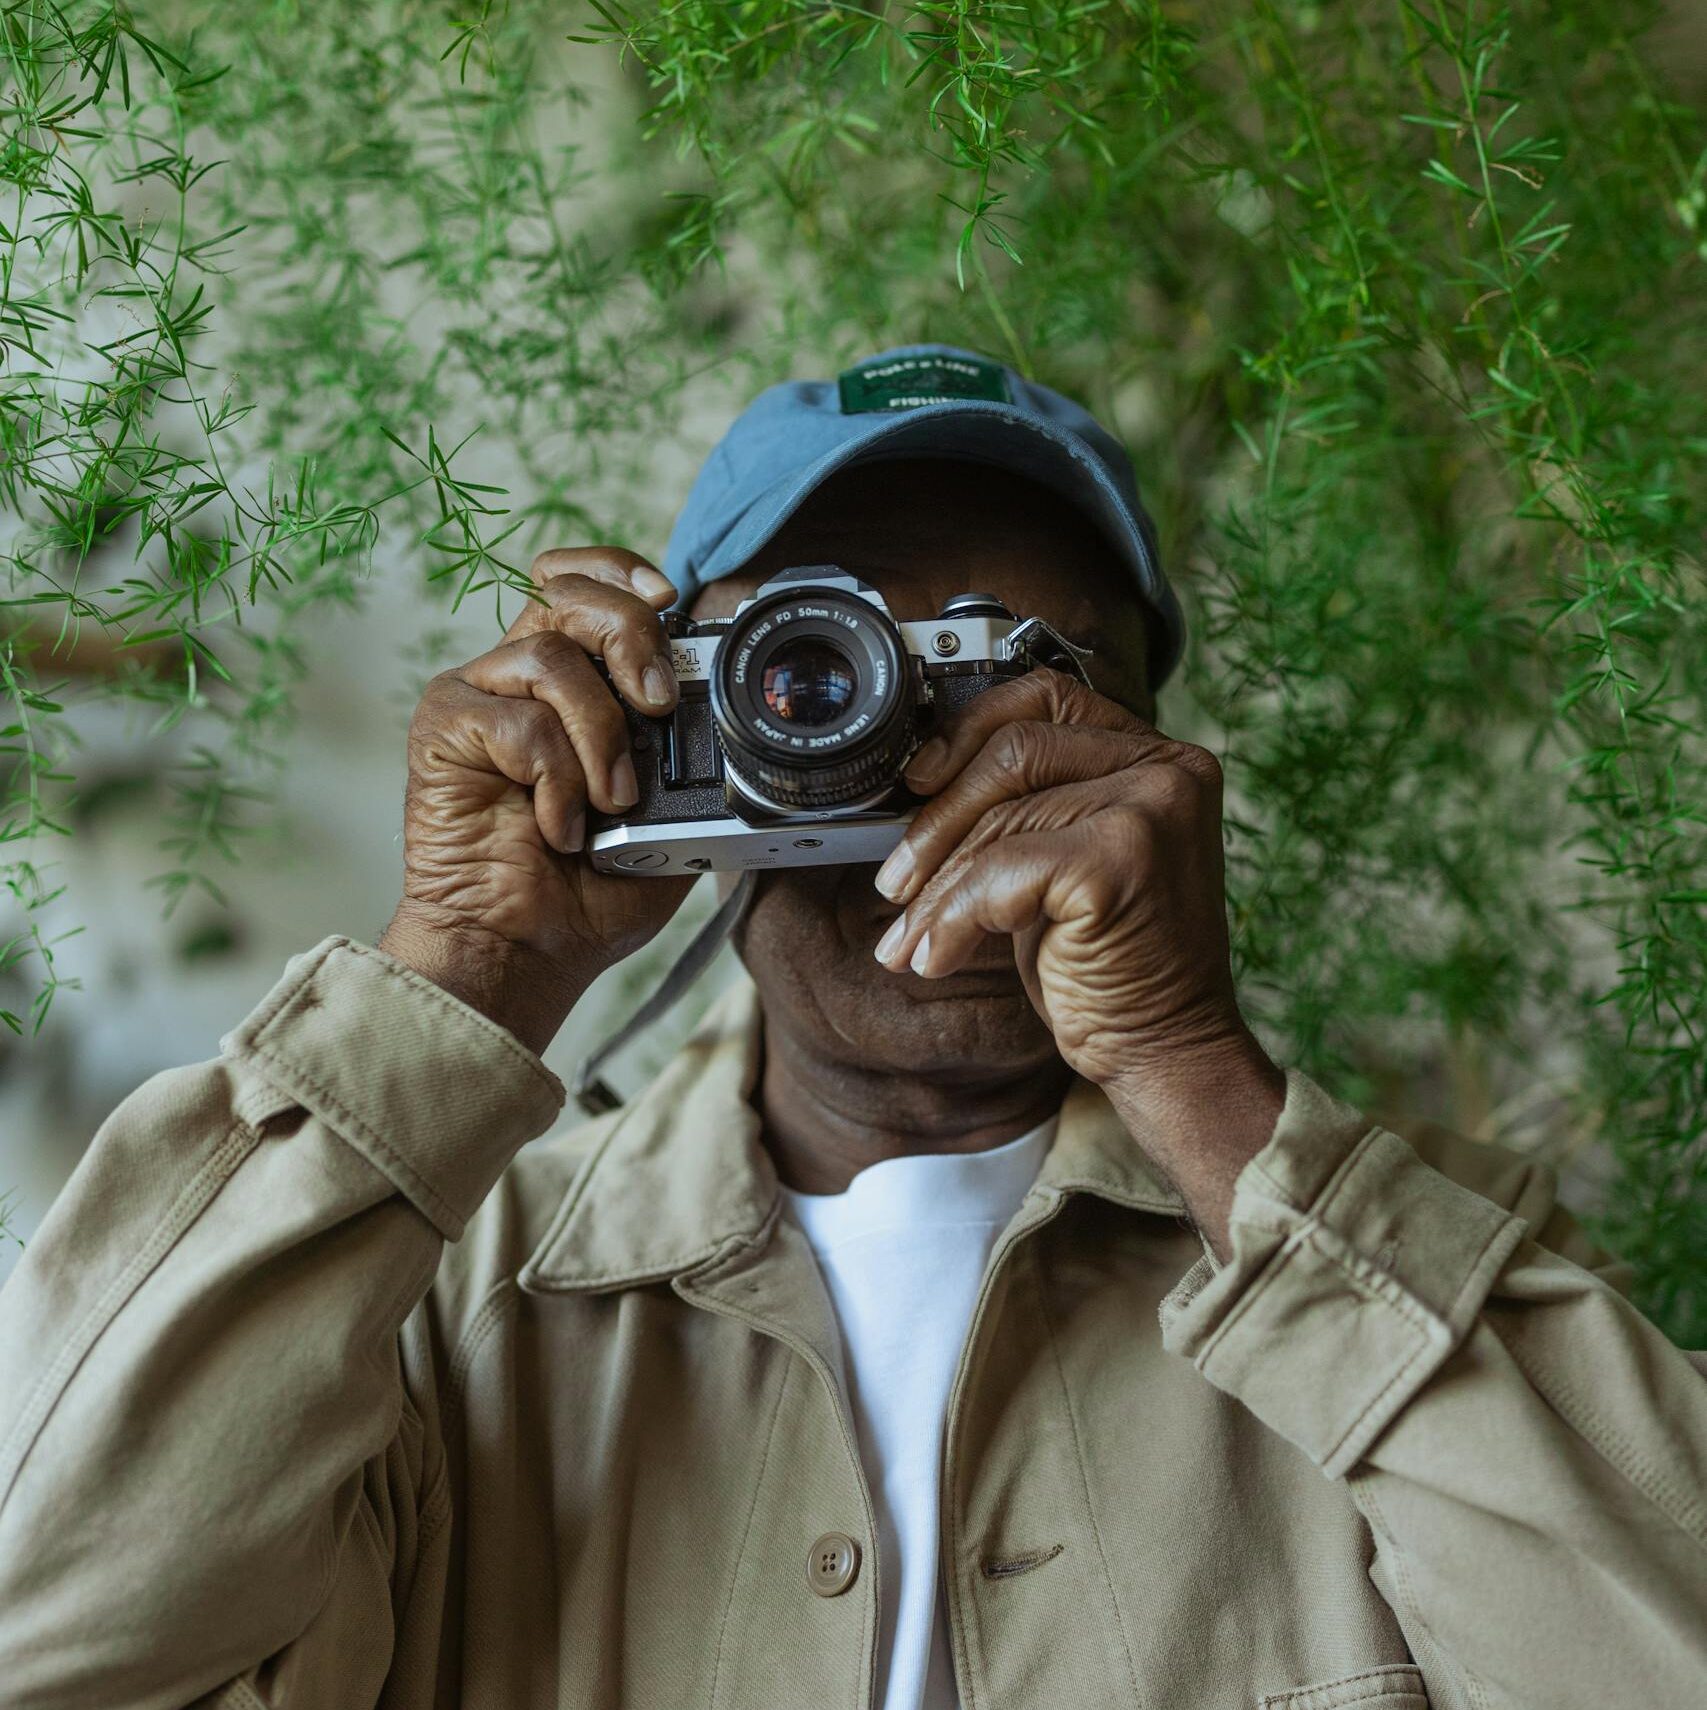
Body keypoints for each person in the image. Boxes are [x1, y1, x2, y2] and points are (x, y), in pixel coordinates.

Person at [0, 345, 1703, 1710]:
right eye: (820, 681)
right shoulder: (435, 1320)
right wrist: (459, 973)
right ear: (667, 718)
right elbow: (57, 1651)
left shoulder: (1422, 1296)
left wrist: (1193, 1068)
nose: (921, 768)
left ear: (1160, 783)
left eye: (1014, 683)